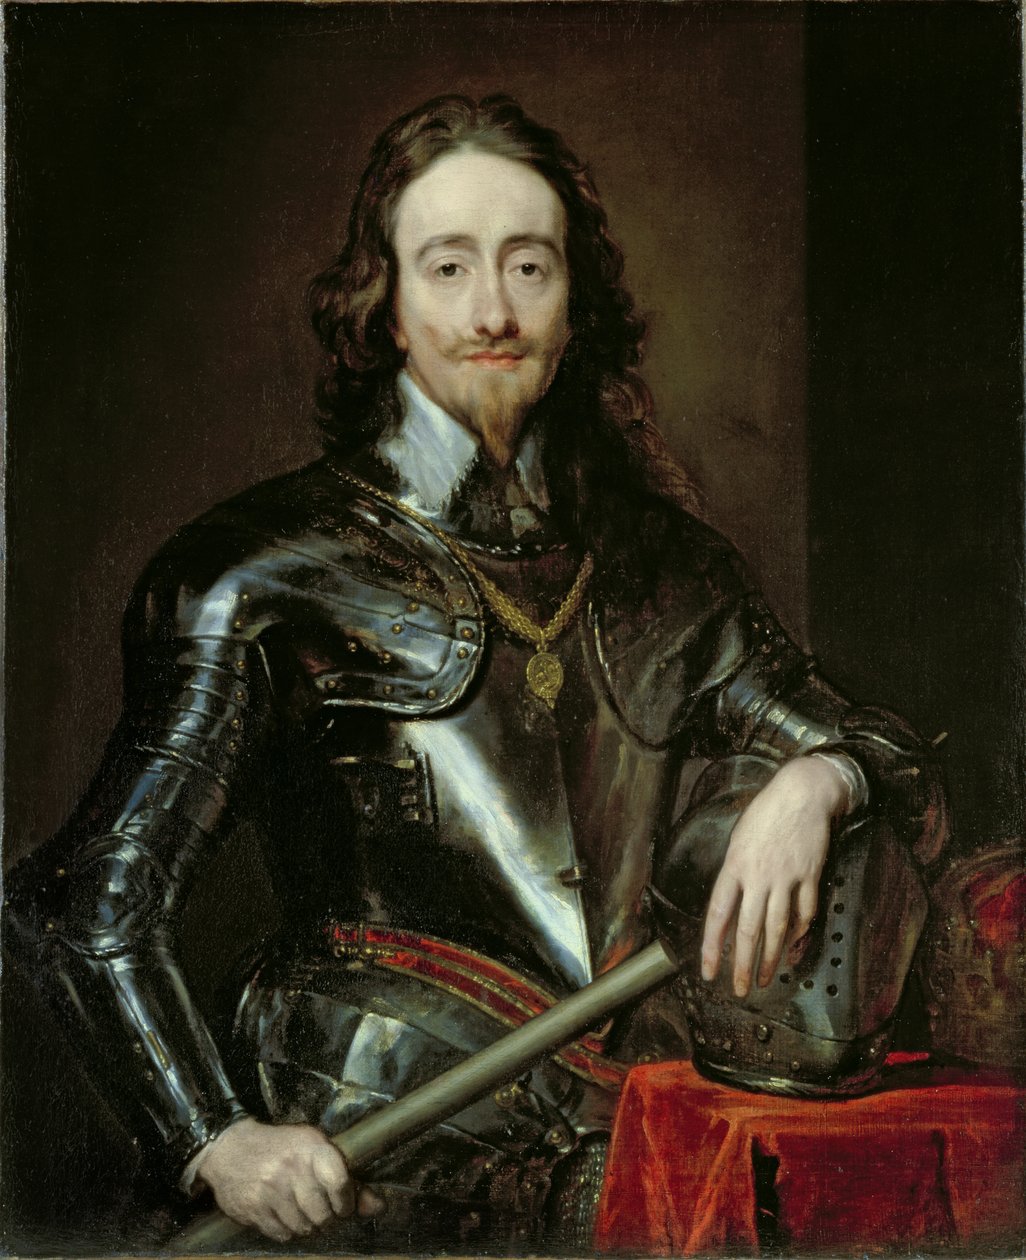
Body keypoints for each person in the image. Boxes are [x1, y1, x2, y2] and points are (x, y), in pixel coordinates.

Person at [6, 94, 946, 1254]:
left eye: (529, 267)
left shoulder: (675, 571)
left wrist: (822, 778)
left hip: (635, 1171)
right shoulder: (253, 574)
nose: (493, 311)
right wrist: (216, 1139)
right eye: (448, 268)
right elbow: (86, 902)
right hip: (380, 1173)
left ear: (574, 306)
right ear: (388, 307)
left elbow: (892, 759)